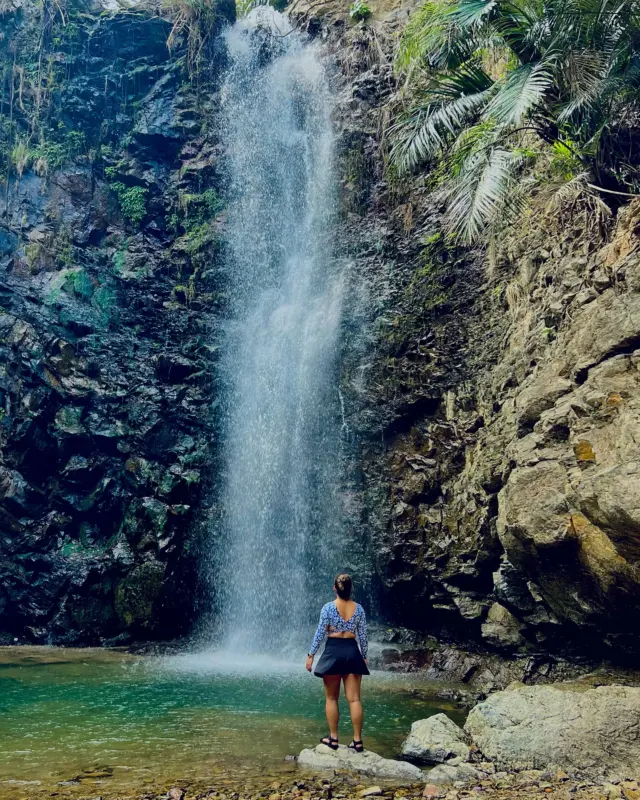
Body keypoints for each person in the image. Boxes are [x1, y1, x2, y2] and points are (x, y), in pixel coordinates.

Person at [305, 573, 369, 753]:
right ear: (351, 589)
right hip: (351, 651)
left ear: (335, 588)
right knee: (355, 699)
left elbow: (320, 633)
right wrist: (364, 655)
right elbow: (363, 636)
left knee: (331, 698)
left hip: (333, 651)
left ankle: (333, 738)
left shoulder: (327, 608)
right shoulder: (359, 609)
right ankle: (357, 741)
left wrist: (311, 655)